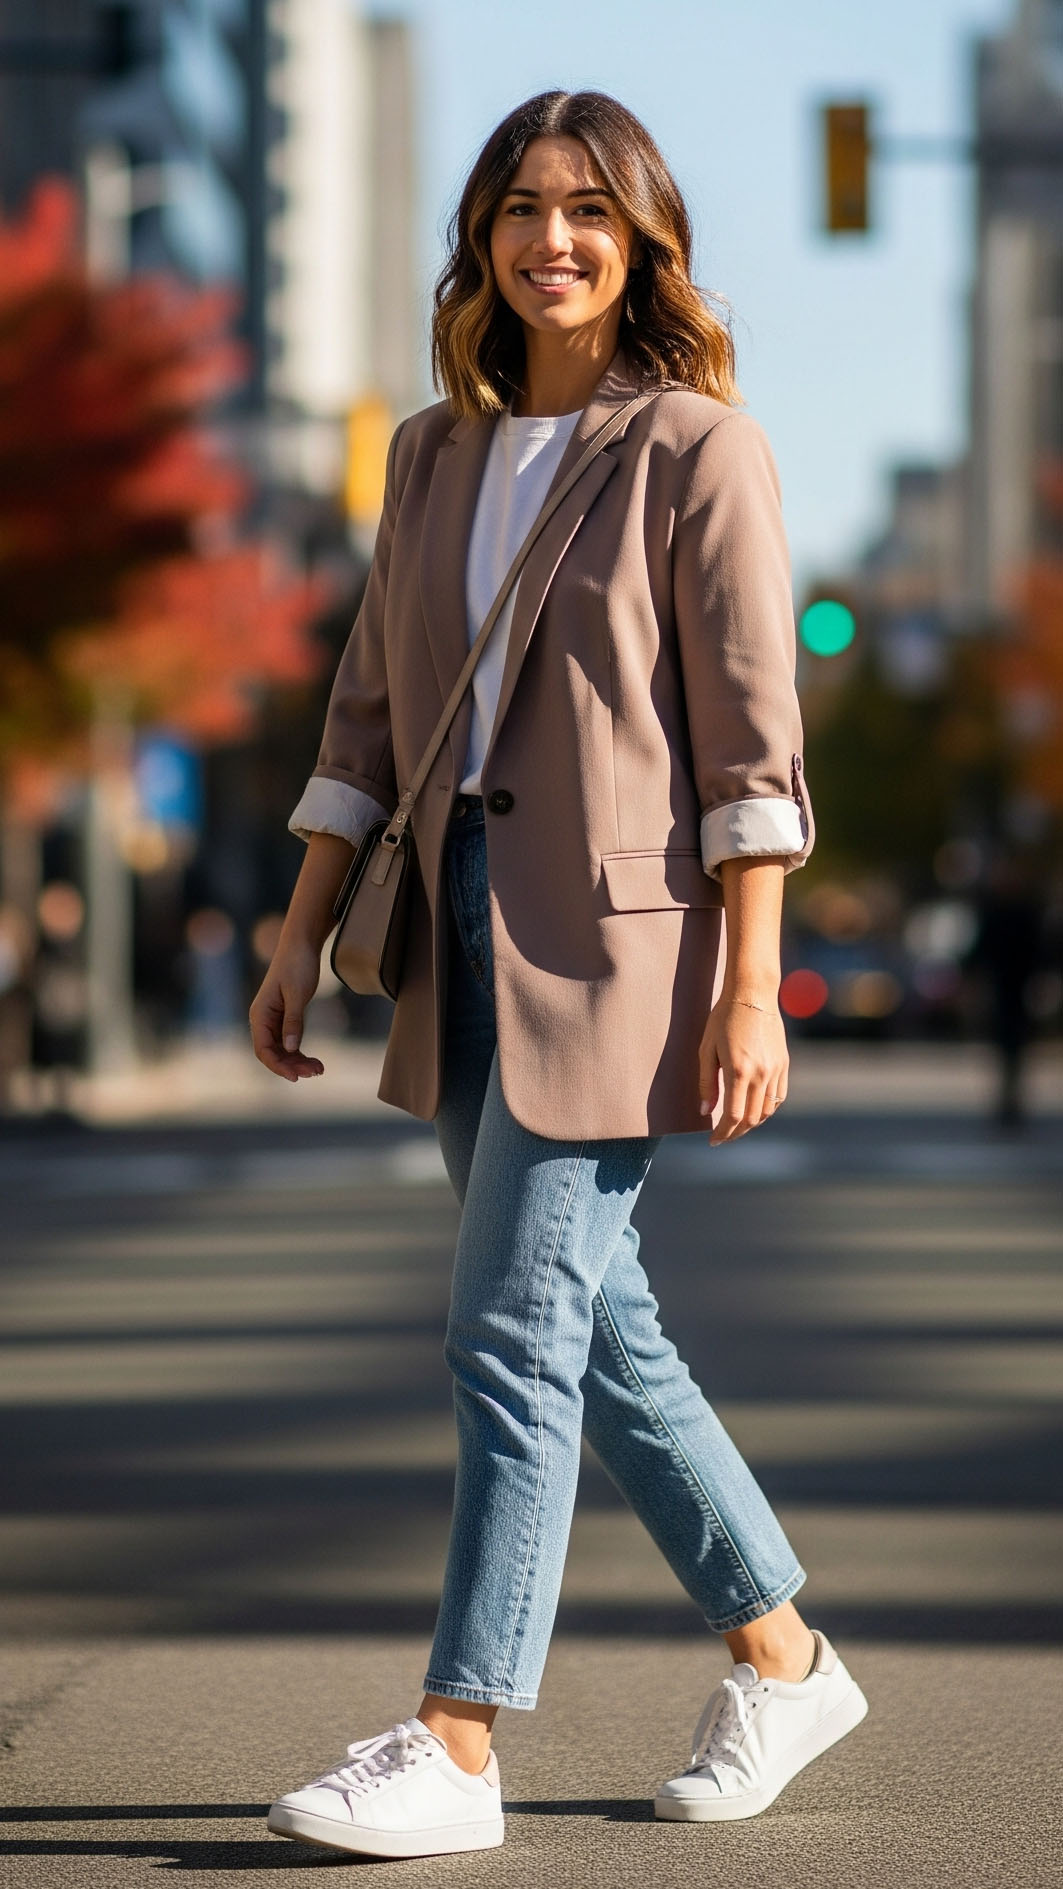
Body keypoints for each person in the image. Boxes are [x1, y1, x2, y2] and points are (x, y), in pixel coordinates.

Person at [250, 88, 867, 1861]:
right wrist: (301, 928)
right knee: (600, 1329)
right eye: (522, 207)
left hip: (626, 948)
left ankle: (456, 1739)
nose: (554, 239)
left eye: (591, 211)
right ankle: (785, 1655)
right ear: (484, 239)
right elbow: (370, 705)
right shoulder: (431, 455)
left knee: (509, 1332)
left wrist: (751, 985)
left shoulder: (693, 446)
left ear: (643, 241)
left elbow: (756, 748)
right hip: (449, 930)